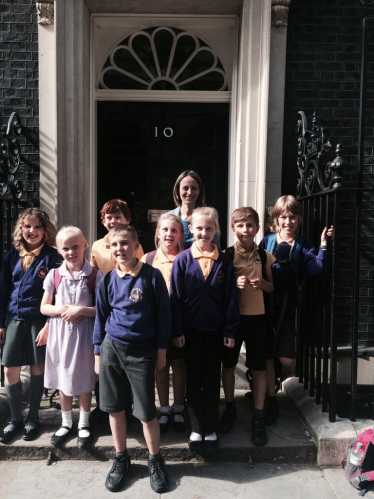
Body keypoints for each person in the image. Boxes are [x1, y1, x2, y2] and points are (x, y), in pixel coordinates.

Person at [93, 224, 170, 494]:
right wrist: (97, 352)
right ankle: (121, 457)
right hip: (112, 348)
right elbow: (101, 318)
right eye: (114, 245)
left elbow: (163, 316)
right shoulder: (107, 279)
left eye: (125, 243)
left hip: (142, 352)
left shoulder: (151, 276)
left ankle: (155, 460)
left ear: (136, 245)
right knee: (115, 407)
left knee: (147, 410)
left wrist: (161, 350)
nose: (120, 249)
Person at [259, 195, 333, 425]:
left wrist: (322, 245)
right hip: (265, 306)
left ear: (299, 219)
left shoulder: (303, 244)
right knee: (267, 356)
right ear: (276, 219)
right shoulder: (267, 242)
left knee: (285, 358)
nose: (288, 221)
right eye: (283, 217)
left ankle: (266, 384)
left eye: (292, 217)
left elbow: (316, 269)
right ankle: (271, 400)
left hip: (289, 307)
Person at [170, 207, 239, 451]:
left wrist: (229, 330)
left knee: (211, 379)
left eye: (209, 228)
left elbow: (231, 298)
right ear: (191, 230)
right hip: (189, 331)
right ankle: (196, 428)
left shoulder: (224, 262)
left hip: (215, 331)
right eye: (199, 228)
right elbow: (175, 298)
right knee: (193, 378)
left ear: (216, 231)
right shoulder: (182, 260)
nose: (204, 233)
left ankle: (210, 427)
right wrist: (177, 330)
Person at [0, 208, 60, 443]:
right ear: (21, 229)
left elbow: (58, 295)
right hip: (15, 319)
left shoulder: (53, 257)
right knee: (9, 369)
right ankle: (15, 419)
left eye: (37, 227)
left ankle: (33, 418)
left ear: (45, 231)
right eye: (27, 227)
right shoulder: (12, 256)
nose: (32, 231)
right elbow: (3, 290)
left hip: (39, 321)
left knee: (37, 368)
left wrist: (49, 325)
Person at [40, 226, 102, 448]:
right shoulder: (55, 275)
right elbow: (44, 307)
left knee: (84, 380)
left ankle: (83, 424)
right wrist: (64, 309)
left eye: (75, 246)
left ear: (85, 244)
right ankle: (66, 423)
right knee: (63, 380)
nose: (71, 252)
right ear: (59, 250)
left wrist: (80, 310)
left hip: (85, 336)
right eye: (65, 248)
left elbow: (102, 310)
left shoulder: (95, 275)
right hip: (60, 337)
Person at [219, 207, 275, 446]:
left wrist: (262, 283)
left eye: (250, 225)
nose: (245, 230)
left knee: (259, 367)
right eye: (240, 226)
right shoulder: (225, 255)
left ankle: (258, 416)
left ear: (257, 228)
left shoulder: (265, 255)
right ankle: (230, 407)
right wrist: (233, 281)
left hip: (258, 319)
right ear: (233, 229)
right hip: (233, 319)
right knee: (229, 364)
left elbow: (272, 288)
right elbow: (216, 288)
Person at [90, 198, 144, 425]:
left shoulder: (133, 244)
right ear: (103, 221)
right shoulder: (95, 246)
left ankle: (129, 407)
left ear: (127, 220)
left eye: (118, 217)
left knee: (126, 365)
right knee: (105, 363)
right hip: (105, 305)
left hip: (127, 307)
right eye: (108, 217)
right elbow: (92, 275)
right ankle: (105, 408)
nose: (113, 221)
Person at [141, 213, 186, 434]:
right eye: (165, 230)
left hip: (179, 321)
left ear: (181, 235)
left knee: (178, 364)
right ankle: (164, 408)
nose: (169, 234)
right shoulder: (148, 259)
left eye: (174, 230)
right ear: (157, 232)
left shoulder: (186, 257)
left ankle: (179, 407)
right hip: (156, 322)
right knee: (160, 366)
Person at [169, 170, 220, 248]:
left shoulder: (209, 218)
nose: (189, 192)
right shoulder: (167, 218)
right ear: (178, 190)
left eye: (194, 188)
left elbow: (216, 250)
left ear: (199, 191)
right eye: (185, 188)